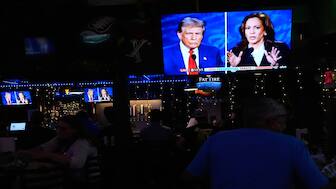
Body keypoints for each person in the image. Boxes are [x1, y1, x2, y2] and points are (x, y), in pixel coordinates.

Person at [184, 97, 330, 189]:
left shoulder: (217, 140)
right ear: (270, 121)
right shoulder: (292, 145)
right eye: (282, 121)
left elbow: (188, 178)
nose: (284, 127)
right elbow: (318, 185)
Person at [19, 115, 98, 186]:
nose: (59, 131)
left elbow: (77, 164)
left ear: (75, 130)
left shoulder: (81, 142)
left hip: (84, 183)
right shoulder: (60, 138)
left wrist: (48, 155)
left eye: (63, 129)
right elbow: (43, 148)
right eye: (58, 128)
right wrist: (25, 153)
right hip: (70, 179)